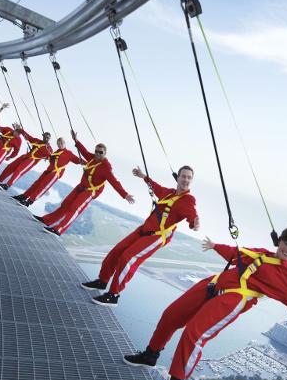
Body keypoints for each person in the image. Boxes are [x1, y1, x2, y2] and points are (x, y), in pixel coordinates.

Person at [122, 227, 287, 380]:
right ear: (279, 242)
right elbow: (237, 254)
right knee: (171, 315)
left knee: (194, 334)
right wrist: (215, 246)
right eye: (286, 243)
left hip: (235, 298)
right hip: (214, 284)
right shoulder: (261, 254)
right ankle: (151, 354)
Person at [81, 165, 199, 306]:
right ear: (178, 177)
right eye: (183, 176)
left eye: (189, 177)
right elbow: (156, 187)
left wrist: (195, 224)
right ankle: (102, 281)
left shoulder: (188, 200)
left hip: (157, 236)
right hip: (144, 229)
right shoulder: (169, 193)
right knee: (117, 251)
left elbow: (192, 216)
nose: (186, 179)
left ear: (191, 180)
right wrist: (143, 176)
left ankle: (113, 295)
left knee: (128, 258)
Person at [38, 131, 135, 236]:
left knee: (74, 208)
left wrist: (125, 195)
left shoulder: (106, 167)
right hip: (81, 186)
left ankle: (58, 229)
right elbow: (84, 151)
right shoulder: (93, 158)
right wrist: (76, 140)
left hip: (91, 191)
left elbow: (114, 182)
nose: (97, 154)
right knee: (65, 204)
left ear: (105, 153)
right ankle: (47, 220)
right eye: (96, 151)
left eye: (100, 152)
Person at [12, 137, 80, 206]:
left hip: (55, 173)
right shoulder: (56, 152)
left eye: (62, 143)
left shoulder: (69, 153)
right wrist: (48, 157)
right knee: (36, 184)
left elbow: (78, 161)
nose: (60, 144)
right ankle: (24, 196)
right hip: (48, 171)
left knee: (43, 187)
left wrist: (86, 163)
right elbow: (51, 160)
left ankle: (29, 201)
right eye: (59, 143)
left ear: (65, 144)